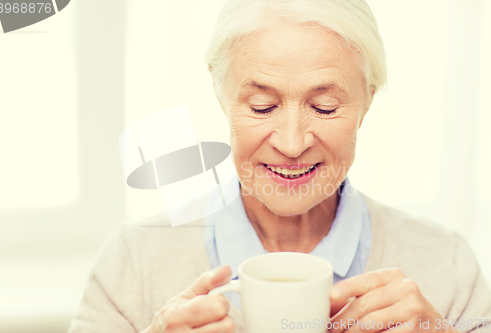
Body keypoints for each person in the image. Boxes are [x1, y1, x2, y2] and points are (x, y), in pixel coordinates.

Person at [68, 0, 491, 332]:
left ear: (367, 101)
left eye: (324, 108)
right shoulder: (132, 264)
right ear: (221, 96)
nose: (292, 144)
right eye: (262, 105)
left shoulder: (448, 267)